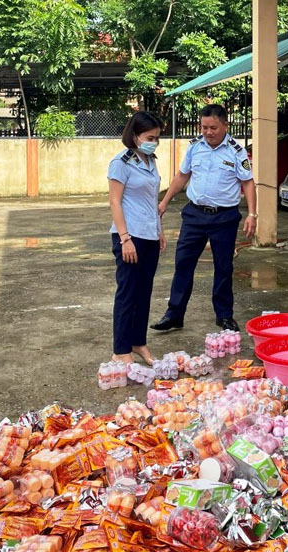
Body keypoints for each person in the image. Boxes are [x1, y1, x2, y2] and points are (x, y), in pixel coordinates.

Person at [151, 104, 257, 333]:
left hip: (224, 218)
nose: (208, 132)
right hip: (194, 215)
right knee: (183, 265)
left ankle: (224, 316)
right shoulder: (195, 147)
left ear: (225, 126)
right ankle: (174, 314)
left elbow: (248, 181)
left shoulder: (236, 150)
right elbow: (182, 176)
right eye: (204, 127)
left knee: (223, 267)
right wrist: (164, 202)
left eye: (213, 128)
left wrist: (252, 213)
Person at [107, 111, 166, 365]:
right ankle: (121, 350)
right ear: (135, 136)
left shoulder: (151, 161)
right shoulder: (121, 162)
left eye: (157, 138)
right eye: (150, 137)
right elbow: (114, 202)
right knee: (128, 294)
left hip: (149, 235)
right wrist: (125, 238)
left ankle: (138, 343)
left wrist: (160, 231)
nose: (154, 141)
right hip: (130, 237)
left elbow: (151, 200)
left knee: (144, 293)